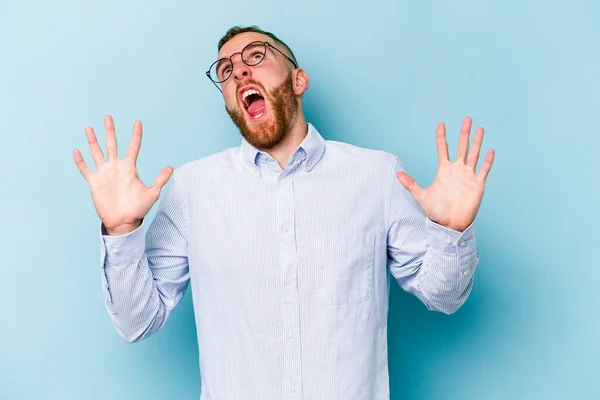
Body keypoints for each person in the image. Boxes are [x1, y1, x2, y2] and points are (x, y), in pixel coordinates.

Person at [73, 25, 495, 400]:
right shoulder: (191, 189)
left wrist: (450, 231)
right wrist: (122, 229)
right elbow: (136, 322)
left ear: (298, 79)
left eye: (256, 55)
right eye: (225, 70)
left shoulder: (377, 176)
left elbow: (444, 296)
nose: (238, 71)